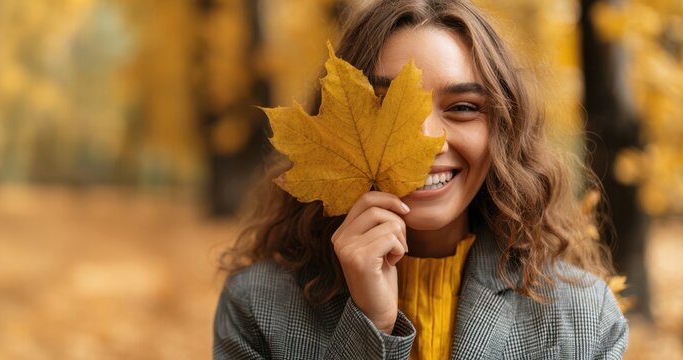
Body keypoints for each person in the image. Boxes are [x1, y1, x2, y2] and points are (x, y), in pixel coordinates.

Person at [213, 0, 629, 358]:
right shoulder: (258, 307)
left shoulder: (583, 318)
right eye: (388, 105)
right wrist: (370, 331)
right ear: (337, 127)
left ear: (504, 129)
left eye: (464, 107)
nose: (427, 139)